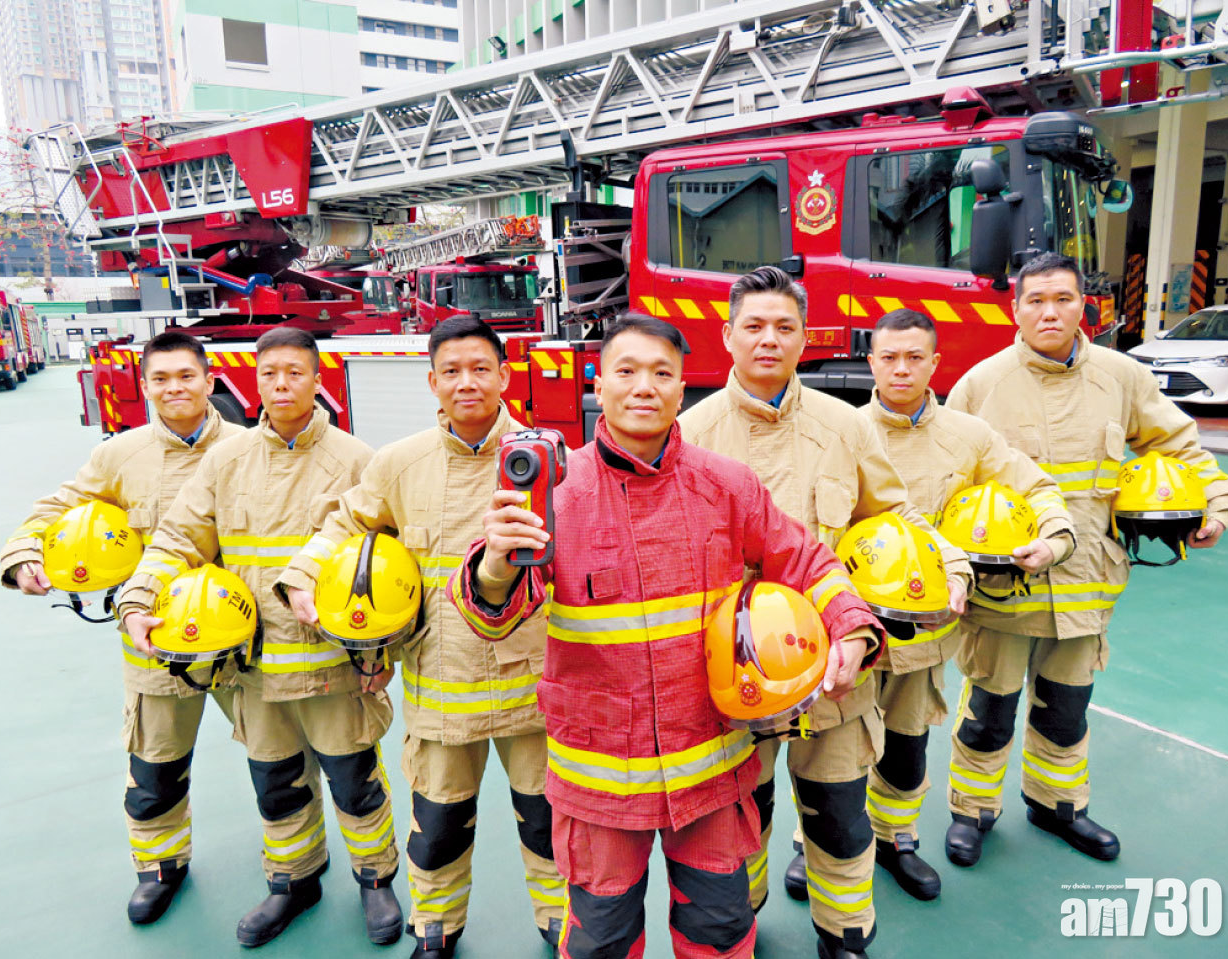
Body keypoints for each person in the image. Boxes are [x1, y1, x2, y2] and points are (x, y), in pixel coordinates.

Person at [448, 315, 884, 959]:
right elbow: (492, 614)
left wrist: (849, 629)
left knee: (720, 932)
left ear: (683, 390)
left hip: (710, 768)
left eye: (662, 373)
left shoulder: (726, 485)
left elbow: (804, 559)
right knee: (602, 939)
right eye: (626, 371)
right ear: (601, 381)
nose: (644, 386)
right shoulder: (556, 494)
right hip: (600, 781)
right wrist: (493, 565)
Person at [678, 267, 971, 959]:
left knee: (841, 817)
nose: (770, 339)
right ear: (727, 336)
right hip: (729, 679)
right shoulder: (689, 433)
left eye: (785, 326)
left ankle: (845, 937)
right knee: (739, 817)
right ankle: (741, 921)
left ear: (806, 337)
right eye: (754, 325)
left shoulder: (845, 426)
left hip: (839, 672)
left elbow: (896, 516)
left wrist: (950, 567)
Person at [942, 253, 1228, 866]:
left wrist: (1216, 505)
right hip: (1003, 592)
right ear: (1016, 309)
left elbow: (1177, 445)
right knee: (988, 712)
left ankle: (1057, 806)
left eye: (1062, 298)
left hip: (1087, 587)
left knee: (1066, 712)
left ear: (1085, 305)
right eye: (1036, 300)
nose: (1049, 311)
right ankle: (971, 811)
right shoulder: (979, 385)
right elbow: (944, 482)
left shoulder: (1122, 378)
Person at [277, 317, 565, 958]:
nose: (468, 383)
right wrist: (302, 578)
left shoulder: (549, 458)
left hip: (536, 686)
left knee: (549, 824)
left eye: (481, 368)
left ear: (504, 376)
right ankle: (436, 930)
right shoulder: (399, 464)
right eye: (452, 372)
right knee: (437, 827)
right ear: (432, 382)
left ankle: (561, 923)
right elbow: (343, 525)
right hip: (441, 687)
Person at [116, 328, 403, 948]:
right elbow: (177, 539)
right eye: (269, 373)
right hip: (256, 669)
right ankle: (293, 883)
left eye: (295, 373)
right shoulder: (226, 461)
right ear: (254, 381)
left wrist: (383, 655)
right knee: (277, 786)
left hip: (333, 663)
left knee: (354, 780)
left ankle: (375, 878)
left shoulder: (358, 461)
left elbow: (393, 567)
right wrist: (138, 600)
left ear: (318, 380)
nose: (281, 385)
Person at [0, 331, 245, 925]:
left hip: (243, 640)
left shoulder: (249, 448)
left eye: (186, 375)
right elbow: (57, 506)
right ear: (144, 388)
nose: (174, 388)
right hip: (152, 639)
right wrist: (24, 552)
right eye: (160, 379)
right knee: (154, 767)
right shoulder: (119, 455)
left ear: (209, 381)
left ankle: (294, 872)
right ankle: (160, 867)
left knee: (280, 762)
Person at [861, 308, 1074, 899]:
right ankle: (817, 845)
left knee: (906, 747)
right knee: (837, 753)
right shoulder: (843, 432)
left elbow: (1034, 486)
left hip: (928, 632)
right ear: (871, 361)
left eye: (915, 358)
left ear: (935, 363)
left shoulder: (968, 436)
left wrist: (1053, 537)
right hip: (852, 629)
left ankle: (896, 842)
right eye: (889, 357)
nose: (902, 369)